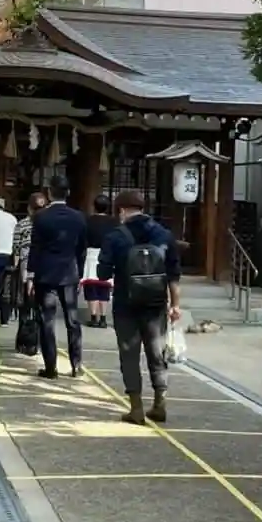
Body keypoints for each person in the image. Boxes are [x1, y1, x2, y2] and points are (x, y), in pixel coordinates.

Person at [97, 189, 181, 426]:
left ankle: (136, 409)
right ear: (143, 208)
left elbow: (103, 273)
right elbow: (174, 274)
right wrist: (175, 305)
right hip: (156, 304)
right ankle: (160, 403)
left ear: (122, 210)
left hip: (126, 303)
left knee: (129, 354)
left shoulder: (115, 236)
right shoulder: (164, 234)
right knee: (156, 352)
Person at [27, 175, 87, 379]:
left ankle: (50, 367)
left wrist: (30, 274)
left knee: (47, 320)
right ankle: (76, 365)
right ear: (68, 193)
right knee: (72, 320)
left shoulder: (41, 217)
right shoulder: (78, 217)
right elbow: (81, 249)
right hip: (69, 273)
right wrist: (79, 272)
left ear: (49, 193)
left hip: (45, 274)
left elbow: (35, 248)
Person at [12, 192, 46, 355]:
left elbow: (16, 248)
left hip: (25, 269)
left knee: (24, 306)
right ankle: (36, 343)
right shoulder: (48, 224)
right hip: (43, 269)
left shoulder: (22, 224)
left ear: (29, 208)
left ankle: (22, 342)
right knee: (40, 307)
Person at [81, 193, 117, 329]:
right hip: (107, 254)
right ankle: (103, 318)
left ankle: (93, 317)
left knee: (91, 287)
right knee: (104, 287)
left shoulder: (88, 221)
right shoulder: (113, 222)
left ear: (94, 206)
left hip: (91, 254)